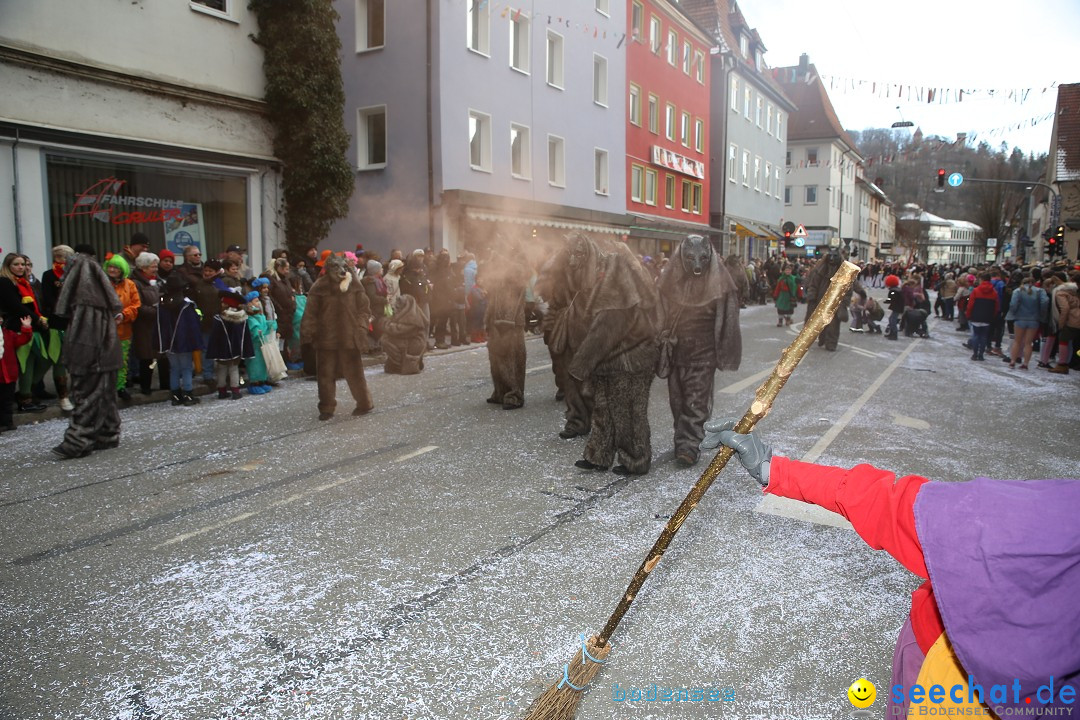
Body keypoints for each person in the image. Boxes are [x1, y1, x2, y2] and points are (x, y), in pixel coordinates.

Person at [702, 418, 1080, 720]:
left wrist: (775, 470)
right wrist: (776, 471)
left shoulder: (1059, 522)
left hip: (948, 676)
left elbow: (898, 508)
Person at [567, 233, 659, 476]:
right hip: (616, 363)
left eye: (603, 267)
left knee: (628, 414)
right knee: (604, 410)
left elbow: (602, 333)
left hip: (629, 363)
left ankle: (635, 459)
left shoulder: (619, 292)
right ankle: (598, 455)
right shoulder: (628, 283)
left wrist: (578, 367)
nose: (599, 272)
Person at [656, 235, 742, 467]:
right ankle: (682, 439)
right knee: (678, 401)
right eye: (690, 258)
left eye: (702, 258)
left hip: (704, 353)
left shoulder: (720, 284)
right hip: (677, 352)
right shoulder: (670, 282)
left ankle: (689, 445)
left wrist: (724, 350)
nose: (696, 264)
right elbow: (659, 314)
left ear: (709, 257)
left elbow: (729, 320)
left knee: (696, 402)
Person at [50, 247, 124, 459]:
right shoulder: (99, 300)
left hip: (93, 357)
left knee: (87, 395)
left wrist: (78, 362)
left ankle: (78, 441)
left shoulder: (87, 304)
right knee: (105, 394)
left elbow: (85, 338)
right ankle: (107, 434)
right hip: (107, 355)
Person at [299, 254, 374, 420]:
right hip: (326, 337)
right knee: (325, 374)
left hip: (349, 336)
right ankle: (326, 407)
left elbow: (364, 309)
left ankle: (364, 403)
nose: (340, 271)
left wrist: (361, 327)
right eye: (335, 267)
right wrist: (307, 335)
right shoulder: (319, 287)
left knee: (355, 373)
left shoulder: (354, 284)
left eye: (343, 267)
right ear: (327, 269)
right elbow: (310, 314)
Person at [0, 253, 50, 412]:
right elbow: (15, 306)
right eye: (17, 264)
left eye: (23, 264)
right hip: (17, 327)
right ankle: (25, 398)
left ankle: (26, 391)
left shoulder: (24, 282)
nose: (21, 267)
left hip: (31, 325)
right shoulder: (5, 282)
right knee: (26, 363)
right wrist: (38, 319)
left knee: (44, 359)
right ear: (8, 266)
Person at [483, 243, 530, 410]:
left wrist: (501, 260)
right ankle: (500, 391)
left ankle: (514, 394)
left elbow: (518, 275)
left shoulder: (518, 267)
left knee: (511, 358)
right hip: (496, 318)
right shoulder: (501, 268)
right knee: (496, 357)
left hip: (512, 321)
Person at [156, 272, 204, 405]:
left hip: (168, 342)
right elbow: (193, 325)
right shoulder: (186, 305)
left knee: (174, 368)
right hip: (184, 342)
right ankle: (188, 394)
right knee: (187, 368)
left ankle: (176, 395)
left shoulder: (162, 304)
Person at [39, 244, 75, 412]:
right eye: (63, 257)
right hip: (58, 323)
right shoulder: (49, 275)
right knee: (59, 359)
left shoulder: (75, 275)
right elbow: (47, 298)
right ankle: (63, 396)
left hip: (76, 322)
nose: (66, 260)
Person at [103, 254, 141, 401]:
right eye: (110, 267)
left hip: (124, 330)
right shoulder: (102, 283)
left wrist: (123, 315)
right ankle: (107, 388)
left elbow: (135, 305)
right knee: (105, 361)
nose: (112, 270)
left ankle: (120, 387)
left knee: (122, 361)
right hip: (104, 331)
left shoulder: (130, 285)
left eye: (116, 267)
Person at [130, 252, 168, 394]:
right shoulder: (136, 283)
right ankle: (145, 387)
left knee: (163, 355)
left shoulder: (157, 281)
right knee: (146, 357)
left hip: (159, 324)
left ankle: (166, 385)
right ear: (143, 267)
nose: (156, 269)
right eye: (153, 267)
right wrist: (157, 310)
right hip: (144, 326)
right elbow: (138, 306)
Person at [205, 289, 253, 400]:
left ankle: (222, 391)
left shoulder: (219, 318)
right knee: (233, 369)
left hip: (221, 350)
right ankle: (235, 390)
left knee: (221, 369)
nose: (221, 304)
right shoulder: (241, 318)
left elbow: (215, 335)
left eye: (223, 303)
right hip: (236, 350)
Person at [802, 249, 849, 350]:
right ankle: (822, 337)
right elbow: (813, 285)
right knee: (820, 322)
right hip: (821, 300)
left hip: (835, 301)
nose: (832, 259)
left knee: (833, 325)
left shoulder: (844, 272)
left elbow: (848, 287)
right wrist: (812, 297)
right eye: (830, 256)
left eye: (834, 257)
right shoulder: (820, 271)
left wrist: (845, 301)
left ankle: (831, 343)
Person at [1006, 275, 1049, 370]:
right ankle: (1025, 363)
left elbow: (1013, 304)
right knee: (1028, 343)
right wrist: (1041, 313)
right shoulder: (1040, 291)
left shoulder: (1018, 291)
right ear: (1033, 282)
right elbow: (1045, 302)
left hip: (1019, 319)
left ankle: (1013, 361)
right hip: (1034, 319)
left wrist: (1013, 313)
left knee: (1017, 341)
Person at [1, 315, 34, 432]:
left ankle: (7, 423)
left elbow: (22, 339)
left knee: (7, 401)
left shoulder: (8, 334)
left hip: (9, 376)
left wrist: (26, 328)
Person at [381, 293, 428, 375]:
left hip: (413, 343)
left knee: (386, 340)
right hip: (409, 340)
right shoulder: (407, 313)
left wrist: (385, 323)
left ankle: (398, 364)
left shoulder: (413, 317)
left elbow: (398, 330)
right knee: (386, 338)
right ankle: (397, 363)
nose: (397, 307)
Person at [1049, 276, 1079, 375]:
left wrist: (1061, 323)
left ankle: (1062, 364)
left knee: (1063, 341)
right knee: (1076, 344)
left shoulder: (1061, 294)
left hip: (1071, 321)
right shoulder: (1075, 293)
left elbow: (1065, 309)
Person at [967, 272, 1000, 362]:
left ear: (981, 280)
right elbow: (996, 306)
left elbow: (970, 304)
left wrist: (968, 314)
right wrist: (993, 316)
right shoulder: (994, 292)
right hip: (987, 317)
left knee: (976, 335)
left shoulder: (976, 290)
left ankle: (975, 353)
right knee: (984, 336)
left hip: (976, 316)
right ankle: (981, 354)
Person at [772, 262, 799, 327]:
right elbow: (778, 288)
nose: (787, 271)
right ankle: (780, 321)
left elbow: (797, 287)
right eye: (786, 270)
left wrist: (798, 295)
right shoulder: (781, 279)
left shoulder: (794, 278)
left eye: (789, 270)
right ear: (784, 271)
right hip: (782, 295)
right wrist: (775, 295)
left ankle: (788, 320)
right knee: (780, 308)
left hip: (790, 296)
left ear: (791, 271)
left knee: (789, 309)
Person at [884, 274, 904, 340]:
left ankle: (894, 334)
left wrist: (887, 301)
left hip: (897, 307)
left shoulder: (893, 291)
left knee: (892, 320)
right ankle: (891, 333)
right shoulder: (897, 289)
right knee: (891, 319)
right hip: (898, 307)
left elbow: (892, 298)